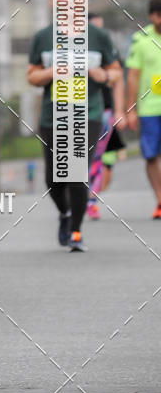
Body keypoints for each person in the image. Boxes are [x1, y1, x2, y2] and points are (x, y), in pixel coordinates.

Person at [27, 12, 121, 251]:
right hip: (52, 116)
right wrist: (54, 71)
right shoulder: (44, 36)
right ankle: (66, 213)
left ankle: (76, 232)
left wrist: (105, 75)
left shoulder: (98, 36)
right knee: (53, 180)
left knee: (77, 175)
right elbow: (32, 75)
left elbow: (116, 71)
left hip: (88, 113)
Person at [85, 14, 126, 219]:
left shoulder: (108, 48)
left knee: (97, 157)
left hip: (104, 110)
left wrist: (120, 110)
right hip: (77, 108)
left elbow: (118, 79)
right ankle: (76, 198)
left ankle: (91, 200)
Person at [125, 0, 161, 219]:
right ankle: (159, 198)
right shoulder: (141, 40)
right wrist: (130, 109)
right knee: (150, 156)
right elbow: (133, 76)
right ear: (152, 16)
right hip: (149, 109)